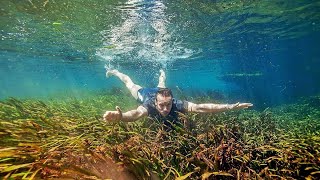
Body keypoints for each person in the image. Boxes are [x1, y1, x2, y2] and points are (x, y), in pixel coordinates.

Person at [103, 69, 253, 128]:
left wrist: (229, 107)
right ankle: (115, 72)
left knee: (162, 85)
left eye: (168, 105)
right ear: (155, 102)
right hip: (145, 93)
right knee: (130, 83)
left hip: (159, 91)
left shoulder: (176, 103)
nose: (165, 109)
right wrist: (121, 116)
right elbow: (135, 114)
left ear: (172, 101)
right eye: (161, 105)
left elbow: (200, 107)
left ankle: (162, 74)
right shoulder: (148, 104)